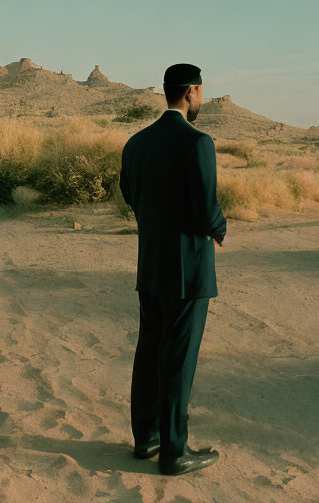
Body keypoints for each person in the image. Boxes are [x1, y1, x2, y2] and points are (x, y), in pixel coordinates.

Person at [118, 62, 227, 476]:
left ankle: (144, 438)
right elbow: (205, 207)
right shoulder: (198, 143)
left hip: (151, 266)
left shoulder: (135, 143)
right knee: (178, 361)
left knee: (149, 352)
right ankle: (174, 452)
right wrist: (220, 231)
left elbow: (132, 196)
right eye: (201, 92)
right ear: (191, 93)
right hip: (189, 270)